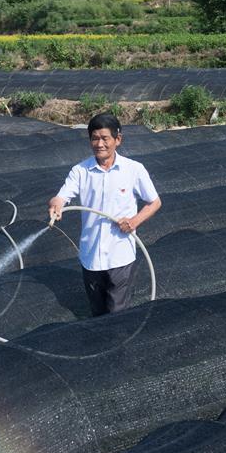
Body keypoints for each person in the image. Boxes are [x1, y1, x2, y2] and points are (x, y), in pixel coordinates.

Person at [48, 113, 161, 316]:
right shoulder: (81, 171)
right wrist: (57, 204)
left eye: (104, 138)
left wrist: (134, 221)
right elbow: (62, 196)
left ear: (117, 139)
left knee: (116, 315)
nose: (99, 144)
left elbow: (154, 202)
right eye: (94, 138)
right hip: (90, 257)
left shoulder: (133, 170)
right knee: (98, 314)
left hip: (120, 256)